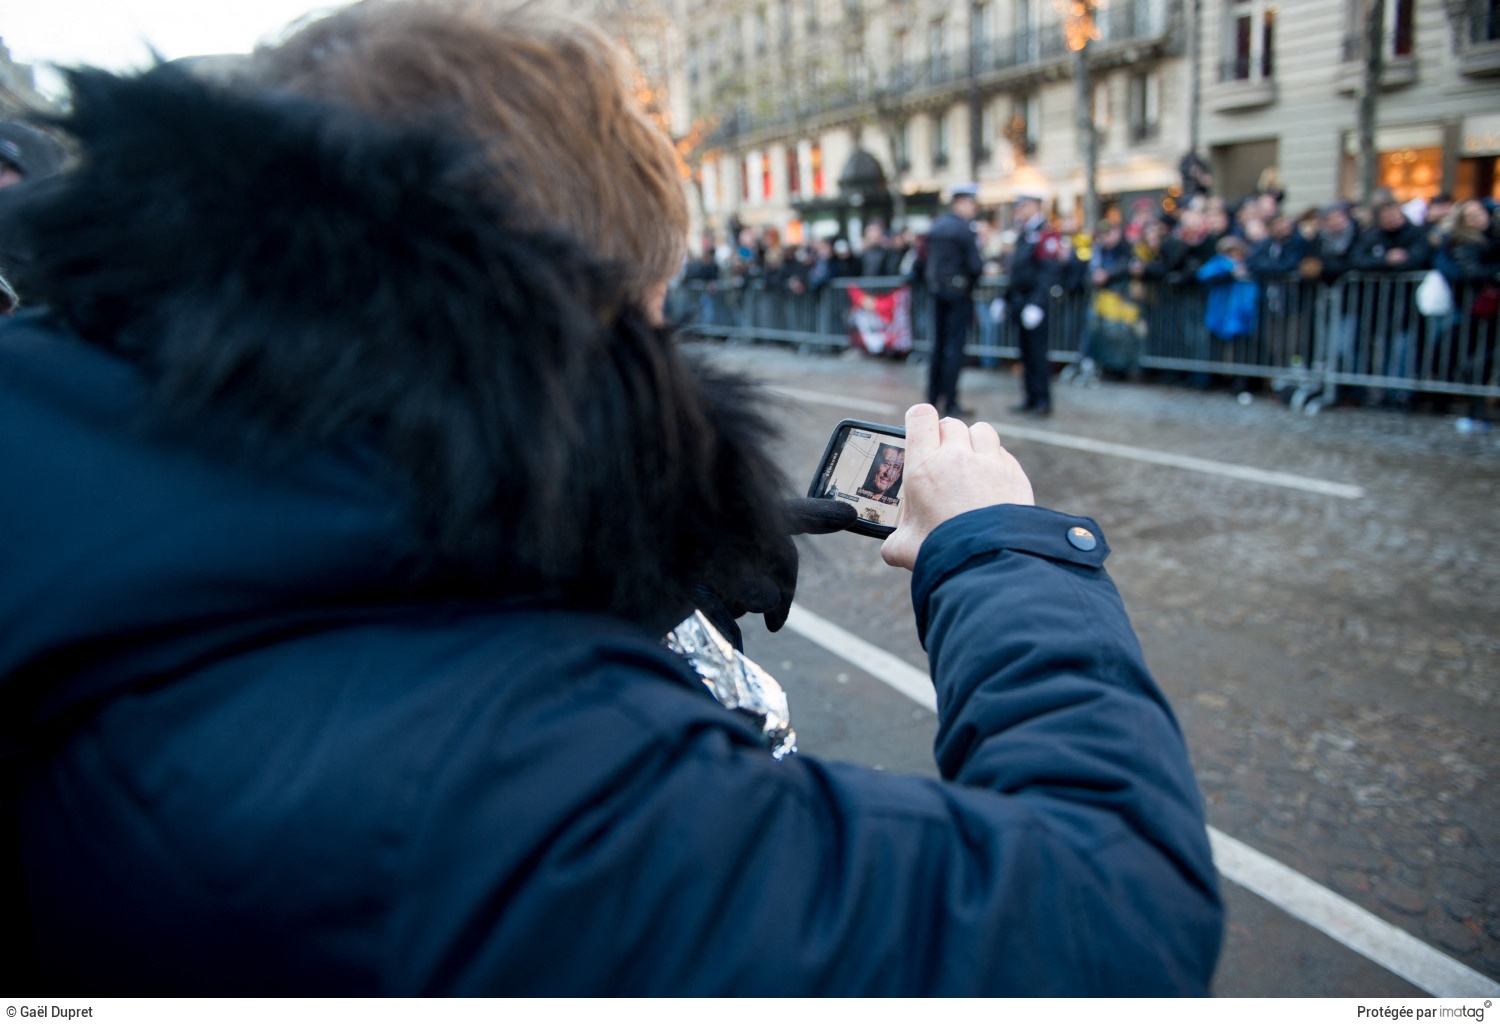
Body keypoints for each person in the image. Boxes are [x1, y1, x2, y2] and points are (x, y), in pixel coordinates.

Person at [1, 0, 1221, 997]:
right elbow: (1112, 905)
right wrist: (1000, 550)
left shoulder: (95, 445)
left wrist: (658, 538)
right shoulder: (509, 781)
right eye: (648, 317)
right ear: (565, 306)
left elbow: (349, 543)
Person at [923, 182, 984, 419]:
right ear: (961, 202)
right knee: (954, 349)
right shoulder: (963, 229)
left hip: (937, 291)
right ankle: (950, 400)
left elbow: (922, 263)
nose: (974, 208)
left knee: (937, 347)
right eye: (971, 203)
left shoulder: (937, 227)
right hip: (958, 293)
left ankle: (932, 398)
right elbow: (975, 266)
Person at [1006, 194, 1068, 415]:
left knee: (1038, 354)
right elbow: (1015, 269)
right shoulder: (1024, 233)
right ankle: (1030, 397)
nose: (1018, 211)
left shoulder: (1045, 232)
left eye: (1021, 206)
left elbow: (1048, 270)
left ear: (1034, 205)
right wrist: (1004, 296)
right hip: (1021, 299)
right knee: (1025, 354)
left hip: (1034, 300)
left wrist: (1037, 303)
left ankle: (1042, 400)